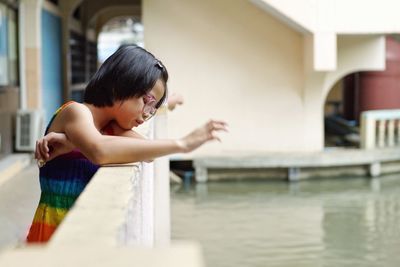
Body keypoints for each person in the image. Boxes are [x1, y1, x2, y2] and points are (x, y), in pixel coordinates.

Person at [27, 45, 227, 243]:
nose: (147, 115)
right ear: (120, 85)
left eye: (153, 108)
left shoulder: (110, 128)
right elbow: (99, 150)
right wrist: (182, 144)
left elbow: (147, 153)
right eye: (147, 102)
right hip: (53, 234)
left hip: (85, 235)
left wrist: (78, 143)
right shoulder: (75, 112)